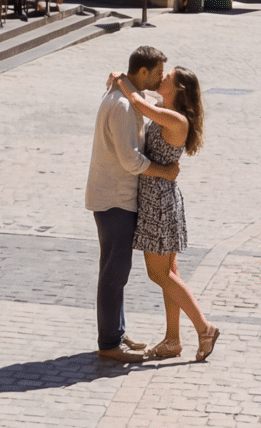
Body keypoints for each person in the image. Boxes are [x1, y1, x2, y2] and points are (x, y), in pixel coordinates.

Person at [108, 67, 218, 362]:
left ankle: (204, 328)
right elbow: (143, 101)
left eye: (167, 78)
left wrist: (120, 78)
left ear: (178, 89)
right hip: (159, 198)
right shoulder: (165, 111)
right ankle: (172, 340)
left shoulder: (176, 120)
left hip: (158, 203)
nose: (162, 79)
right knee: (171, 273)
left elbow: (137, 102)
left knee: (158, 273)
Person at [88, 47, 181, 363]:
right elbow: (130, 160)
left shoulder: (128, 96)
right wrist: (165, 171)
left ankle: (116, 331)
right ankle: (109, 343)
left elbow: (150, 102)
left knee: (116, 270)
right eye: (158, 73)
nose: (160, 79)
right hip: (115, 198)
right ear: (143, 72)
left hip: (115, 196)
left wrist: (121, 79)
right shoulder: (124, 106)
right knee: (115, 272)